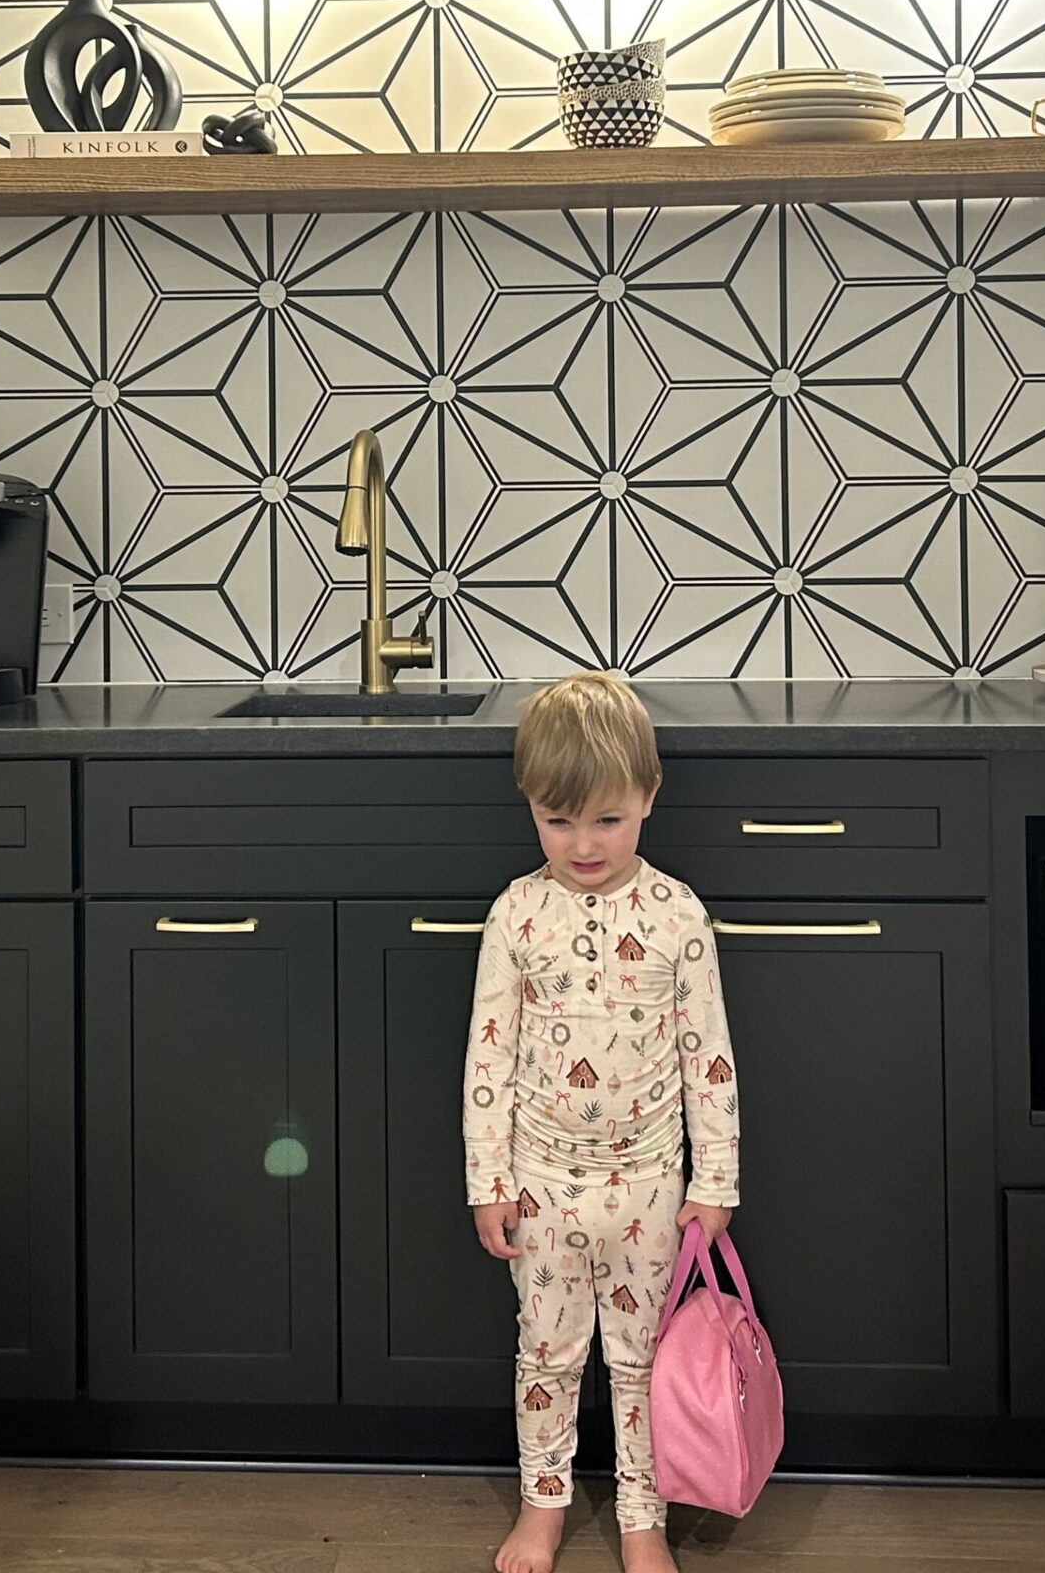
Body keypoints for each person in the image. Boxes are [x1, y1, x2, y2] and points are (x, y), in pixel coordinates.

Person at [466, 670, 739, 1573]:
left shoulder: (677, 915)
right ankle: (543, 1503)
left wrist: (715, 1184)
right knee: (545, 1357)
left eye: (608, 820)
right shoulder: (515, 914)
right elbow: (489, 1059)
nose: (583, 843)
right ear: (529, 806)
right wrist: (489, 1182)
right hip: (541, 1183)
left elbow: (711, 1059)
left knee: (637, 1361)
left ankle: (641, 1515)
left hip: (652, 1187)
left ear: (650, 798)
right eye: (558, 820)